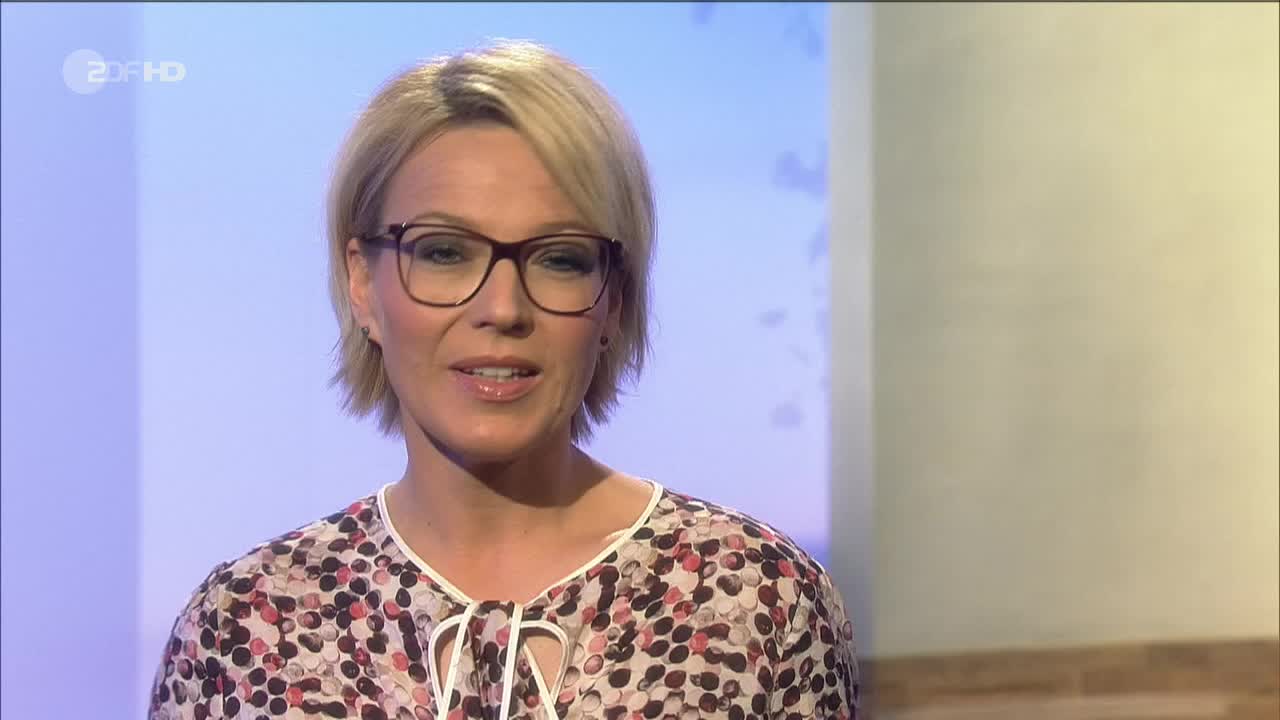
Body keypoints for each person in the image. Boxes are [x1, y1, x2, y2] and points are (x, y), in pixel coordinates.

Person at [148, 40, 859, 720]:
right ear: (363, 284)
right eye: (444, 251)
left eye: (559, 258)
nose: (502, 309)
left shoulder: (757, 600)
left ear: (613, 298)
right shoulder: (244, 626)